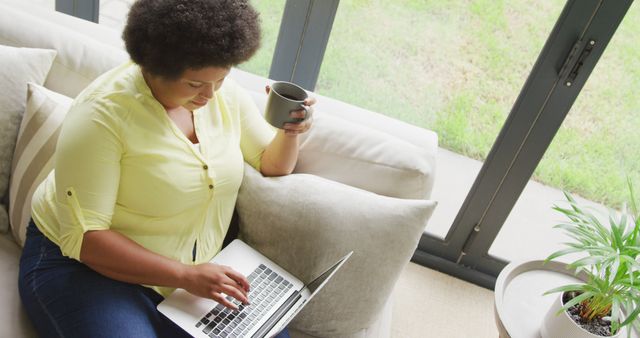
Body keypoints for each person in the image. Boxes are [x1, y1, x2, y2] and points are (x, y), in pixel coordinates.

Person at [17, 0, 314, 337]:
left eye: (220, 79)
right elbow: (86, 240)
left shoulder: (220, 93)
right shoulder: (101, 117)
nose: (210, 94)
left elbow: (270, 163)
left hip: (190, 273)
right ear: (154, 65)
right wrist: (186, 276)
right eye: (195, 85)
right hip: (85, 268)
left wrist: (290, 130)